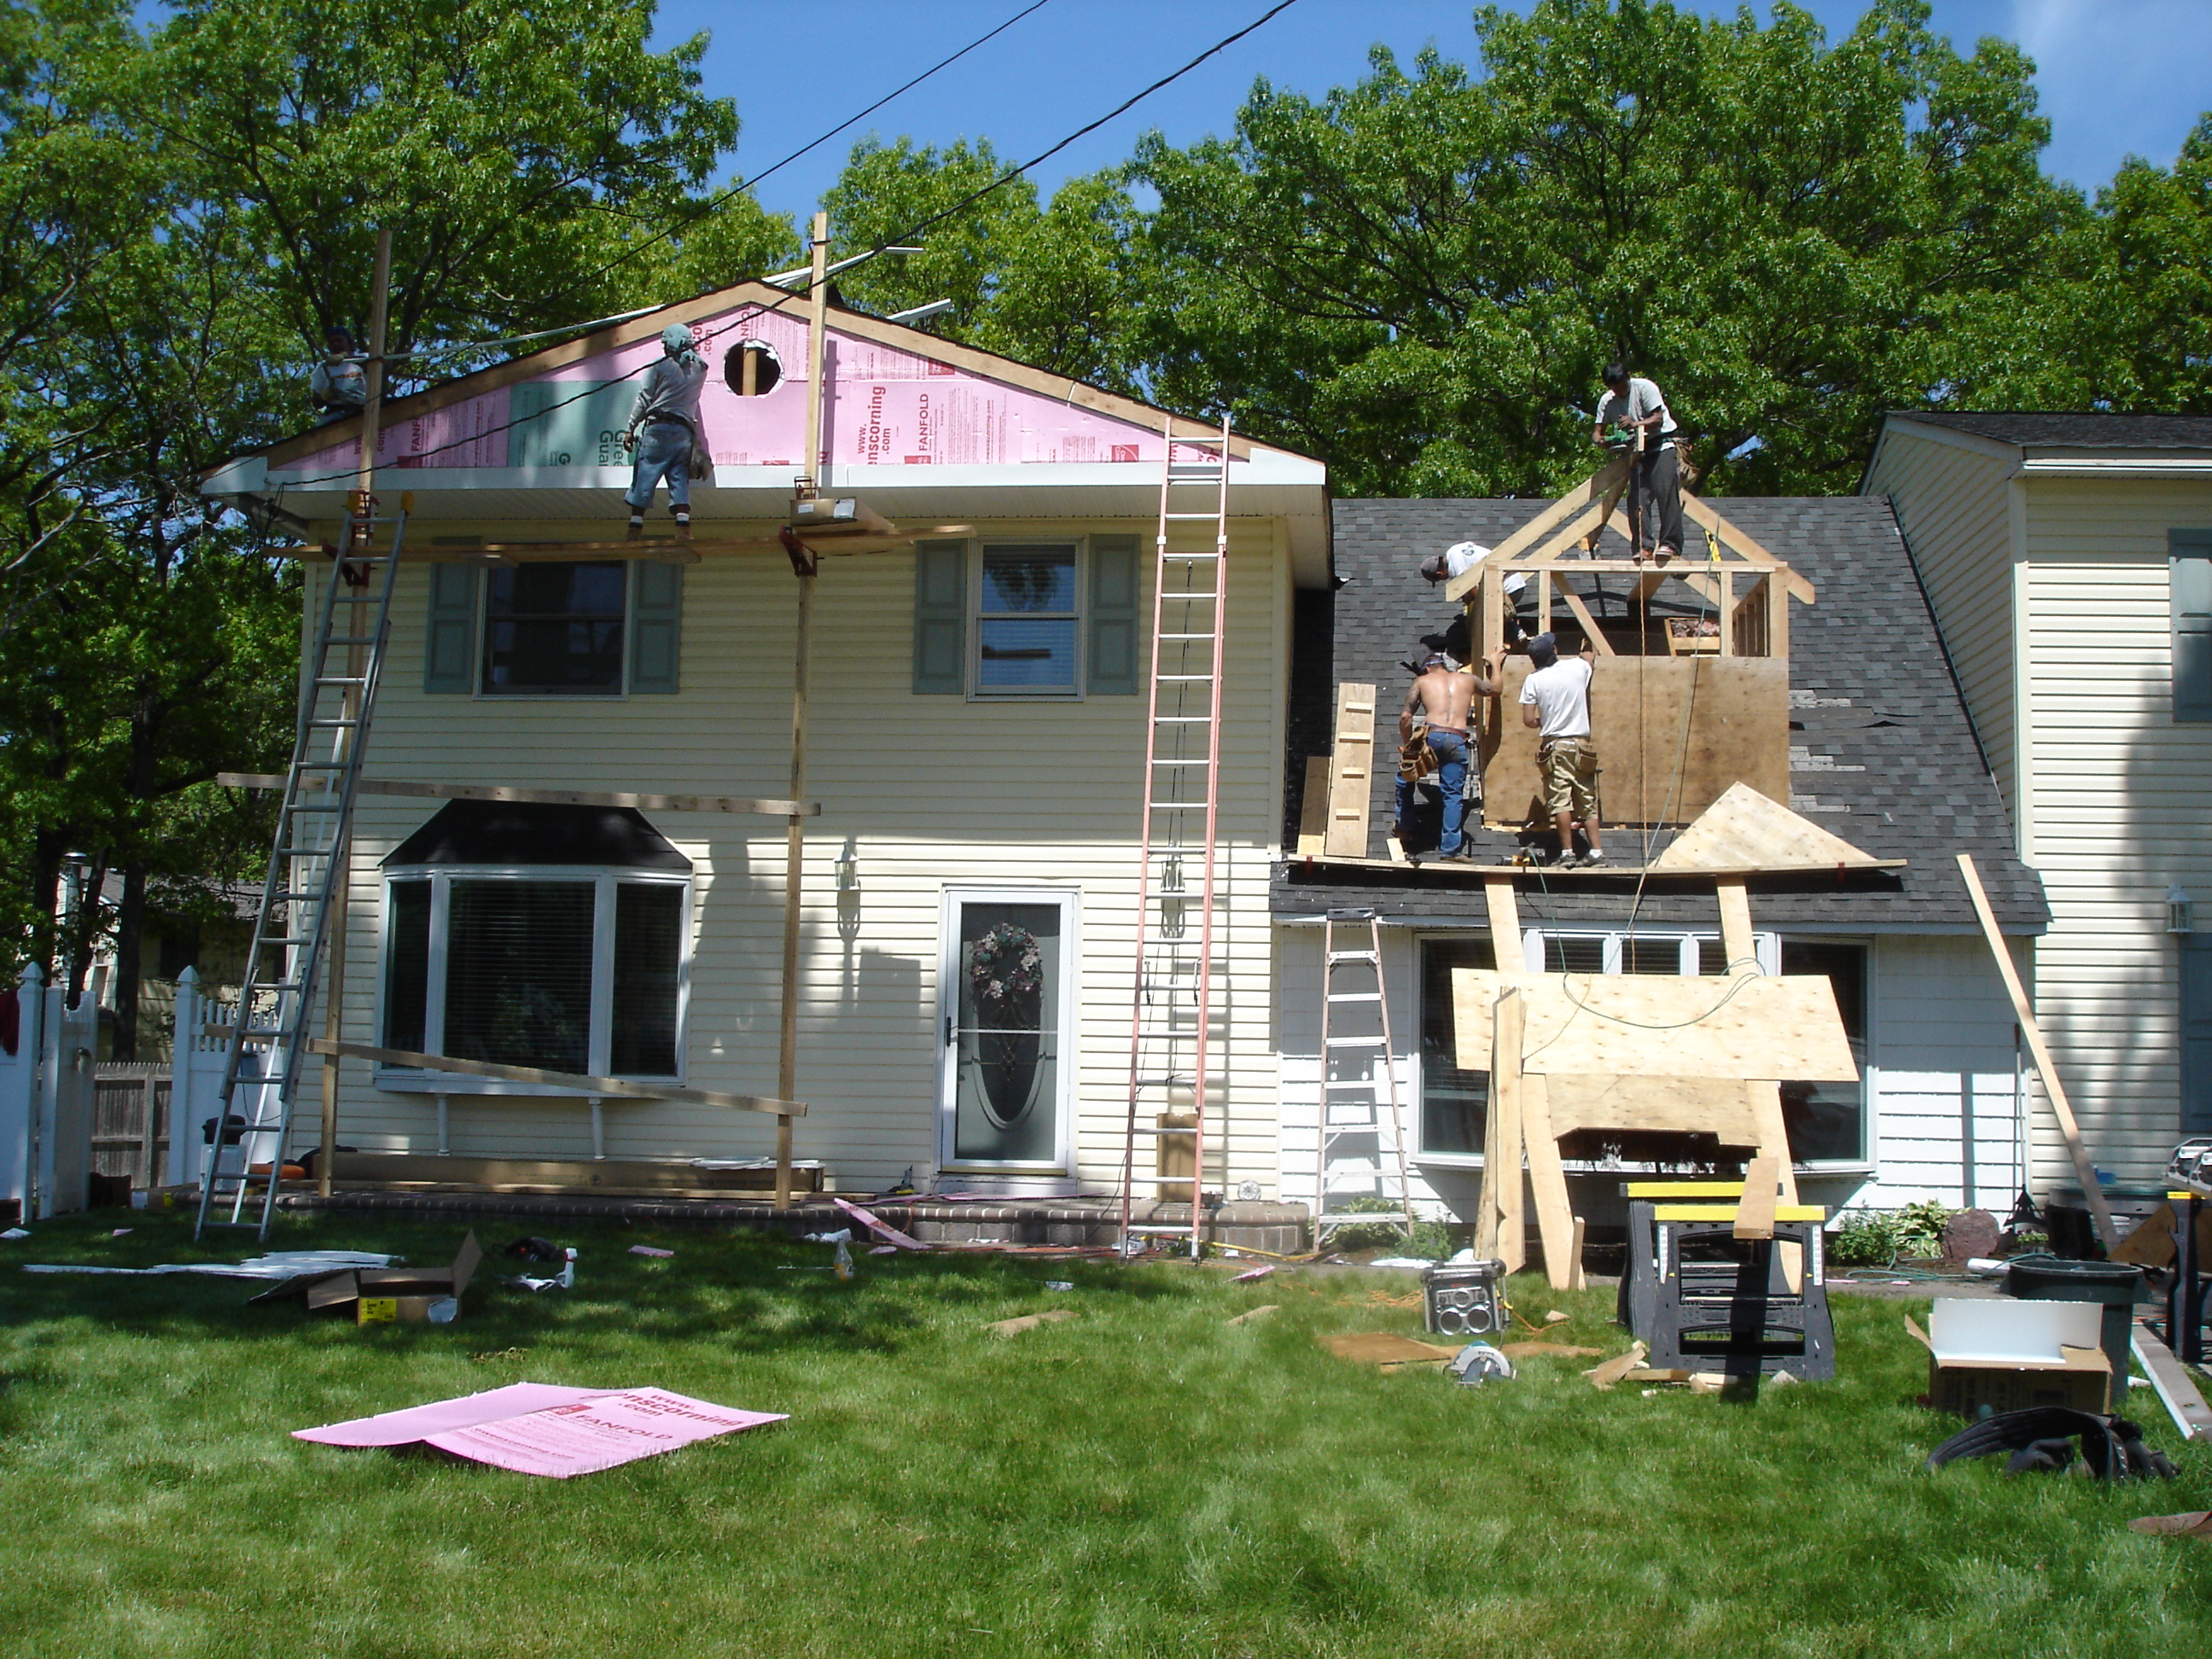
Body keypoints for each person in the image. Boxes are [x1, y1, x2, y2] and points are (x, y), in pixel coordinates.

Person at [1397, 651, 1499, 860]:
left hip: (1432, 737)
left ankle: (1405, 826)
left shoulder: (1422, 681)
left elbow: (1406, 717)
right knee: (1452, 796)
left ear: (1427, 669)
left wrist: (1408, 746)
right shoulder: (1467, 679)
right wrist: (1495, 664)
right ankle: (1450, 851)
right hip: (1456, 739)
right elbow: (1495, 689)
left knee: (1405, 776)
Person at [1518, 631, 1604, 866]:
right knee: (1586, 799)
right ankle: (1596, 853)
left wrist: (1544, 721)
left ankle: (1567, 853)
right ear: (1554, 652)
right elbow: (1589, 657)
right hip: (1581, 745)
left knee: (1560, 801)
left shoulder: (1533, 680)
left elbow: (1528, 720)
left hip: (1556, 746)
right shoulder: (1576, 667)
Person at [621, 323, 709, 535]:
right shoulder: (700, 369)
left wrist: (630, 428)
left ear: (669, 345)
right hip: (683, 433)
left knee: (645, 474)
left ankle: (635, 527)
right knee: (678, 477)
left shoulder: (659, 366)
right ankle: (682, 528)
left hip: (658, 430)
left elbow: (644, 398)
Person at [1591, 360, 1682, 562]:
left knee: (1665, 490)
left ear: (1628, 378)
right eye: (1615, 388)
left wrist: (1635, 424)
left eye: (1622, 386)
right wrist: (1603, 441)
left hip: (1661, 445)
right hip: (1635, 451)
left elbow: (1657, 419)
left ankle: (1670, 544)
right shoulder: (1608, 401)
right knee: (1637, 499)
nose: (1620, 391)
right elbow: (1597, 433)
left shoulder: (1645, 388)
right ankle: (1644, 547)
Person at [310, 327, 367, 423]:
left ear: (349, 342)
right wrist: (324, 396)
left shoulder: (364, 358)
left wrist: (347, 357)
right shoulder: (323, 367)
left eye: (339, 340)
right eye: (331, 342)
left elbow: (376, 366)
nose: (335, 344)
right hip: (335, 416)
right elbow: (316, 403)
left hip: (365, 410)